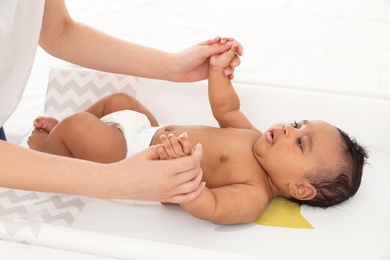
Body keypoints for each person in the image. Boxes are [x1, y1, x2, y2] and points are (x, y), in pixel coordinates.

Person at [28, 42, 368, 225]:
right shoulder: (250, 137)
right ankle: (73, 141)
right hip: (147, 131)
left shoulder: (252, 196)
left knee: (75, 125)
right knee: (120, 100)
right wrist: (219, 72)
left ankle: (49, 152)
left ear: (300, 188)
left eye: (299, 141)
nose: (286, 128)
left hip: (131, 164)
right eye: (297, 124)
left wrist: (186, 171)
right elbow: (226, 109)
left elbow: (211, 206)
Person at [0, 0, 243, 203]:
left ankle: (59, 139)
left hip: (145, 132)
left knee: (117, 100)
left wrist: (174, 67)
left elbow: (58, 30)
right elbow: (227, 110)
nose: (282, 128)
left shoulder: (257, 183)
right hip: (129, 150)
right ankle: (54, 145)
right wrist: (113, 180)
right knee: (76, 126)